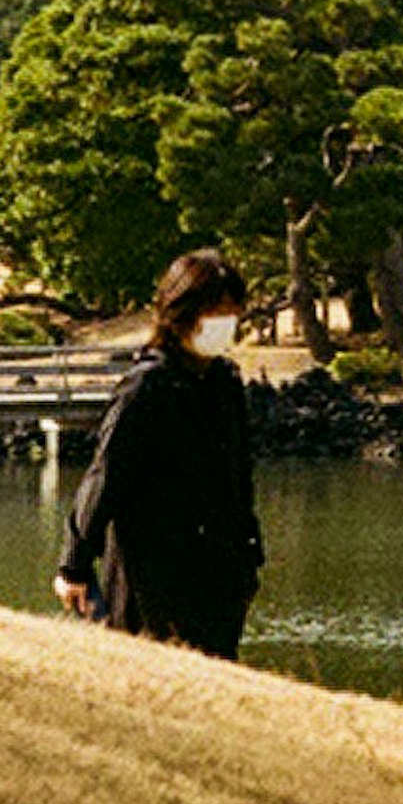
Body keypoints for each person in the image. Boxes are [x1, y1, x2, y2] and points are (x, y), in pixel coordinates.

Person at [57, 247, 265, 657]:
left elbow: (239, 476)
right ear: (182, 313)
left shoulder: (224, 382)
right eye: (213, 313)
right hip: (152, 573)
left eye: (231, 313)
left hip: (220, 571)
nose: (224, 325)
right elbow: (106, 477)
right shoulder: (146, 389)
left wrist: (249, 558)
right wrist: (74, 563)